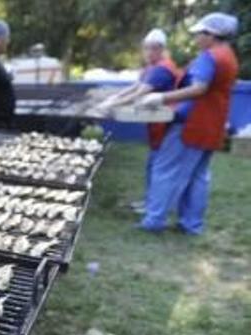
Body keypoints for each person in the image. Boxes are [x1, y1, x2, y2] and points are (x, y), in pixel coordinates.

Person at [137, 13, 239, 235]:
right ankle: (191, 224)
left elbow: (199, 88)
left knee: (165, 170)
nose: (196, 39)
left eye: (199, 34)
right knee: (198, 177)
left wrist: (162, 98)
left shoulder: (210, 56)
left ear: (211, 35)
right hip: (212, 125)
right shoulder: (229, 56)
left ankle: (154, 221)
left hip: (192, 125)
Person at [94, 29, 182, 213]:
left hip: (166, 125)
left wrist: (110, 104)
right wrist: (114, 96)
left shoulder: (162, 69)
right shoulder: (151, 67)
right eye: (146, 48)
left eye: (152, 49)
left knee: (159, 168)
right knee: (153, 166)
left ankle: (157, 207)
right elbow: (135, 87)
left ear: (161, 49)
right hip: (156, 124)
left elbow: (139, 94)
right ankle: (151, 202)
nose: (147, 52)